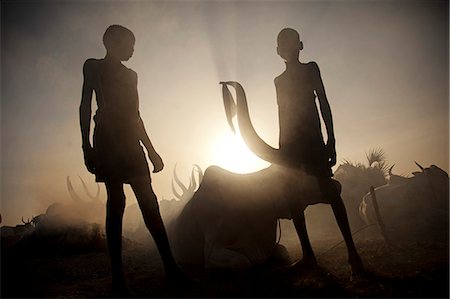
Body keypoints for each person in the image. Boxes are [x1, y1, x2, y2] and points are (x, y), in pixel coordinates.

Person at [79, 24, 187, 295]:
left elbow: (136, 115)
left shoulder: (132, 75)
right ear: (111, 42)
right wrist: (86, 145)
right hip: (107, 140)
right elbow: (85, 105)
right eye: (130, 43)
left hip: (130, 142)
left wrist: (151, 150)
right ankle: (118, 281)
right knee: (116, 203)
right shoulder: (93, 66)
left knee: (149, 203)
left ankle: (171, 270)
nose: (133, 49)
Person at [275, 28, 362, 271]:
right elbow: (282, 116)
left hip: (313, 142)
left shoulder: (310, 68)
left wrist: (331, 139)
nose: (286, 47)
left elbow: (323, 102)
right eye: (282, 43)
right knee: (293, 200)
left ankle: (353, 254)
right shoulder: (278, 81)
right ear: (277, 50)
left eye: (290, 42)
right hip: (290, 148)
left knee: (331, 193)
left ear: (299, 46)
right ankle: (309, 256)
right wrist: (281, 154)